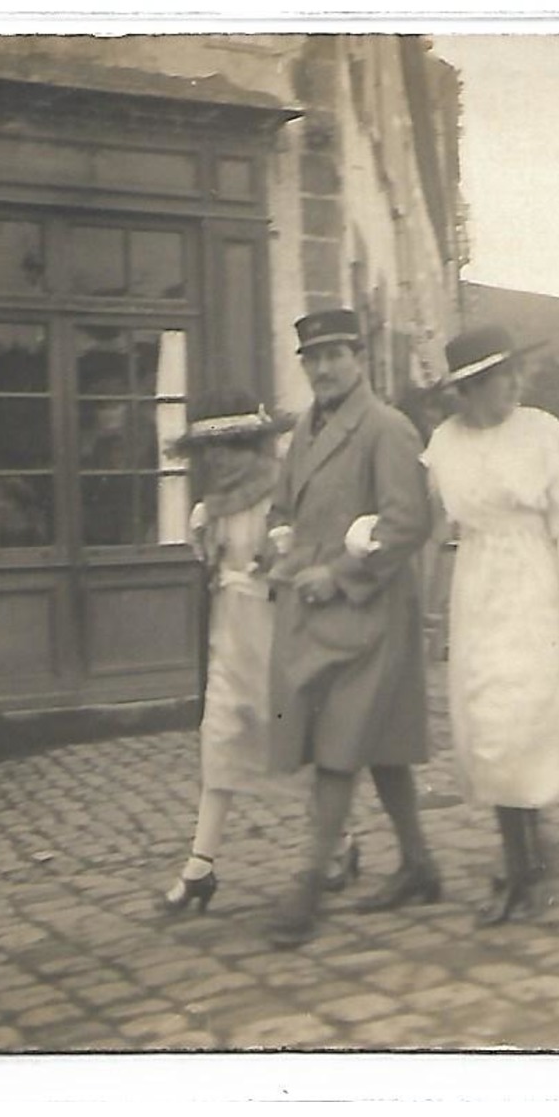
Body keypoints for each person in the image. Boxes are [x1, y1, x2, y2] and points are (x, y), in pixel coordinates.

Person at [422, 324, 559, 924]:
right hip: (478, 589)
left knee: (520, 723)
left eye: (511, 373)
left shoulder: (541, 435)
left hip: (533, 585)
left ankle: (524, 865)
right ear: (468, 390)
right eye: (492, 379)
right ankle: (524, 856)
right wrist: (430, 607)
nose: (508, 387)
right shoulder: (445, 444)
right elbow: (434, 529)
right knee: (488, 726)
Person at [265, 310, 440, 948]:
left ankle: (310, 880)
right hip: (314, 613)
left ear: (357, 357)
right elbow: (284, 506)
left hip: (369, 611)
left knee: (339, 747)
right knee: (382, 746)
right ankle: (420, 863)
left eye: (334, 355)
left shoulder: (386, 428)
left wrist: (337, 574)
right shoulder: (303, 435)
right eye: (312, 358)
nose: (323, 368)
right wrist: (279, 540)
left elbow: (407, 522)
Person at [153, 390, 360, 915]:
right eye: (210, 452)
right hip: (230, 634)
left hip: (277, 632)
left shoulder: (280, 499)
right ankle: (201, 865)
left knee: (292, 737)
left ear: (255, 448)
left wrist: (279, 568)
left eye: (232, 448)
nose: (219, 462)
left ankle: (339, 840)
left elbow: (305, 556)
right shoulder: (210, 511)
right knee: (220, 738)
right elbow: (211, 569)